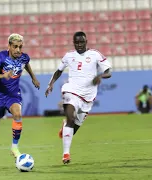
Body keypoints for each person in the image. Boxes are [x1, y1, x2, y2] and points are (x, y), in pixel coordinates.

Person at [45, 31, 112, 164]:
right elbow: (59, 71)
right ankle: (66, 154)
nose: (79, 45)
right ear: (73, 43)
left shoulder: (95, 54)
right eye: (77, 42)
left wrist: (100, 76)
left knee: (74, 127)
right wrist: (51, 84)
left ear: (86, 42)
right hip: (71, 91)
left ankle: (65, 127)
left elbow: (108, 71)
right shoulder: (69, 56)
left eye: (82, 42)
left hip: (88, 96)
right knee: (70, 118)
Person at [0, 33, 40, 164]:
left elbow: (27, 64)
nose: (18, 50)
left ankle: (14, 147)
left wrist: (33, 78)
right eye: (15, 47)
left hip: (13, 95)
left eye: (20, 46)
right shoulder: (1, 57)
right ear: (9, 46)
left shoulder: (24, 57)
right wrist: (3, 76)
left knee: (18, 114)